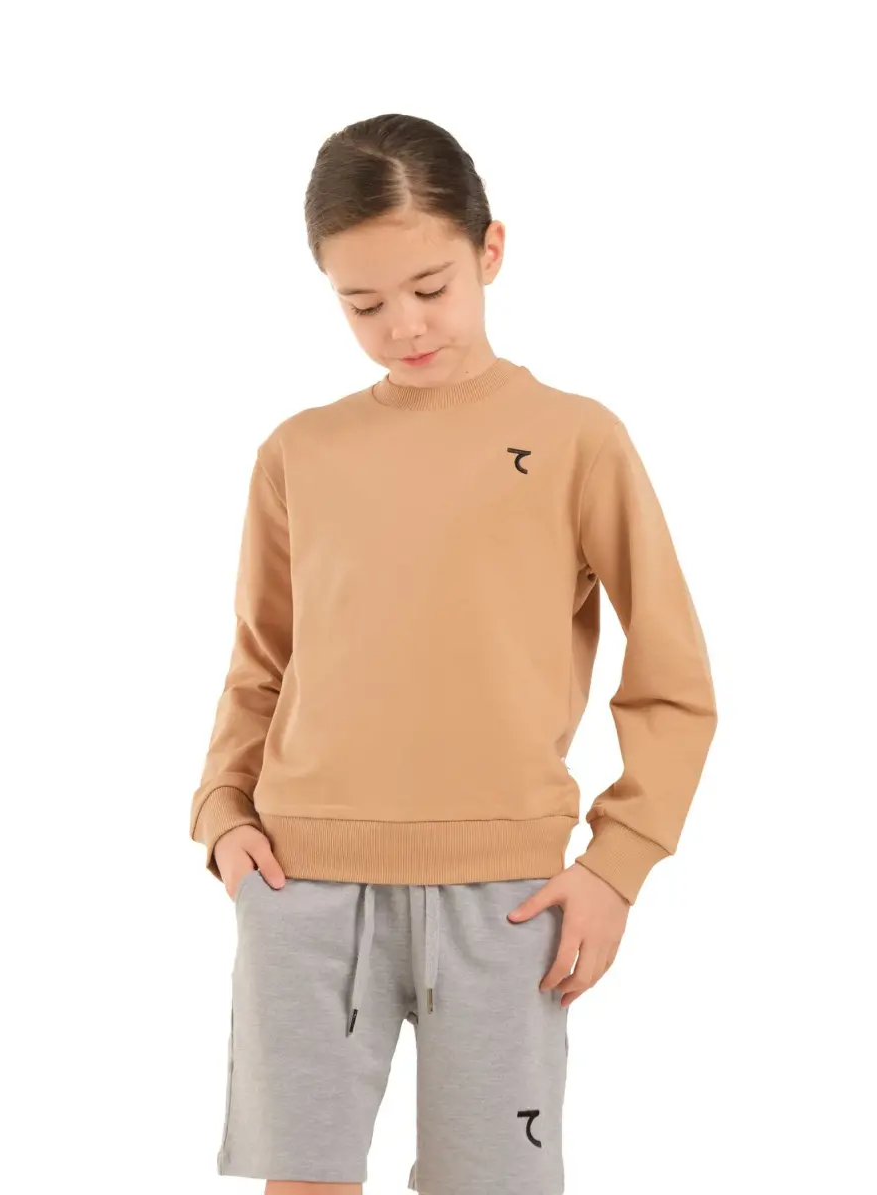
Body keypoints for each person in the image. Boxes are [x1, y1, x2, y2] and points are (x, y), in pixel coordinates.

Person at [188, 112, 718, 1194]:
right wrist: (221, 814)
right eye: (363, 304)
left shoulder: (577, 438)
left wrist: (618, 866)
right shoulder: (299, 452)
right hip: (302, 884)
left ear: (491, 250)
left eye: (430, 287)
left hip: (507, 899)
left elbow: (673, 675)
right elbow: (261, 662)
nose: (403, 326)